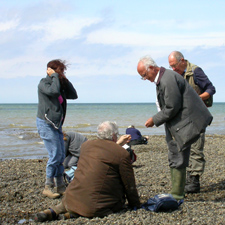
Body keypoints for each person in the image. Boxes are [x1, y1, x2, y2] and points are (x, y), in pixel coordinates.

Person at [137, 55, 213, 200]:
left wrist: (154, 119)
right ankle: (177, 191)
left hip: (184, 123)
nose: (145, 78)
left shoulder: (167, 79)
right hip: (178, 123)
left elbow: (172, 107)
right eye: (142, 76)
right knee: (175, 153)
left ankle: (177, 194)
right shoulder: (164, 78)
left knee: (178, 155)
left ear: (152, 68)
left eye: (145, 75)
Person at [34, 121, 140, 222]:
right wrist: (135, 204)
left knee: (67, 203)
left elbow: (103, 154)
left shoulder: (86, 146)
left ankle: (52, 211)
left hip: (72, 196)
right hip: (97, 205)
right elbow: (128, 182)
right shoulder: (121, 153)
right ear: (113, 136)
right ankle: (70, 215)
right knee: (98, 202)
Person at [168, 51, 216, 193]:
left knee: (196, 147)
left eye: (175, 66)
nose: (174, 69)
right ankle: (187, 178)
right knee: (183, 147)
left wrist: (198, 99)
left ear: (182, 61)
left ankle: (194, 181)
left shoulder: (196, 71)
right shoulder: (177, 74)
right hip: (184, 118)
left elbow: (211, 89)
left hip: (197, 117)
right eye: (171, 67)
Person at [36, 59, 78, 199]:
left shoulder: (59, 84)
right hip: (46, 123)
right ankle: (48, 186)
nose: (61, 73)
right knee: (54, 155)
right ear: (50, 70)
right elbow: (53, 92)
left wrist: (65, 80)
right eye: (59, 70)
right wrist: (54, 76)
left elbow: (73, 95)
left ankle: (60, 186)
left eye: (62, 71)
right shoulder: (44, 83)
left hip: (56, 124)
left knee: (60, 155)